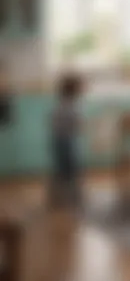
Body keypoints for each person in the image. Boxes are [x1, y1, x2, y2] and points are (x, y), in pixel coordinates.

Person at [49, 73, 83, 209]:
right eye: (79, 88)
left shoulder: (62, 103)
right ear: (73, 90)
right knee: (69, 170)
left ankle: (59, 196)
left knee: (62, 169)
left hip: (59, 139)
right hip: (66, 140)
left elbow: (54, 122)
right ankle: (68, 197)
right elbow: (75, 124)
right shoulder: (69, 105)